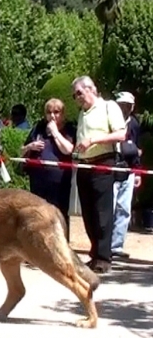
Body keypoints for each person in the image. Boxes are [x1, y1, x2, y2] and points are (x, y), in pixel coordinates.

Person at [72, 76, 126, 274]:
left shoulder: (108, 107)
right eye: (74, 95)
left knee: (102, 213)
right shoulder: (82, 114)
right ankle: (94, 254)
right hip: (84, 165)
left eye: (79, 93)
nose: (77, 98)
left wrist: (94, 140)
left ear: (91, 89)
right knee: (88, 214)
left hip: (103, 163)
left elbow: (121, 134)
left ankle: (104, 258)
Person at [21, 98, 76, 236]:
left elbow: (68, 149)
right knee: (37, 212)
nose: (52, 116)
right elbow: (22, 150)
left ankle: (62, 245)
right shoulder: (39, 127)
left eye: (56, 112)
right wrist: (30, 146)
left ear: (63, 114)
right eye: (49, 112)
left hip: (59, 181)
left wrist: (55, 132)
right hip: (38, 179)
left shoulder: (69, 129)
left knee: (59, 212)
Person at [111, 91, 142, 259]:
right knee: (110, 207)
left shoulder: (135, 124)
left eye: (128, 106)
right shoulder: (110, 121)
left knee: (124, 209)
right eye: (122, 105)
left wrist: (137, 171)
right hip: (112, 169)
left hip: (128, 170)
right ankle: (104, 246)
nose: (125, 109)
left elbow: (138, 149)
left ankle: (117, 246)